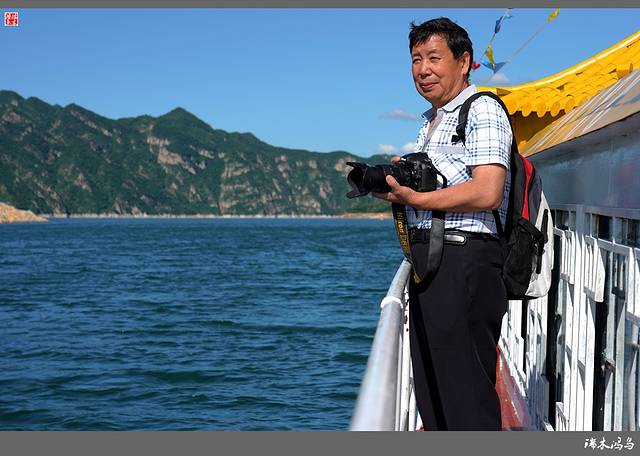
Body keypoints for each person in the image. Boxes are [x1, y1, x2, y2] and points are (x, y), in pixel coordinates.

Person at [373, 17, 512, 431]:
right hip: (433, 261)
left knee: (464, 396)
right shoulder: (431, 121)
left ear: (464, 61)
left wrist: (416, 198)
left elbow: (487, 191)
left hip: (465, 262)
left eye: (434, 58)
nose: (423, 69)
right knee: (434, 392)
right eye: (416, 59)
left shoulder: (481, 108)